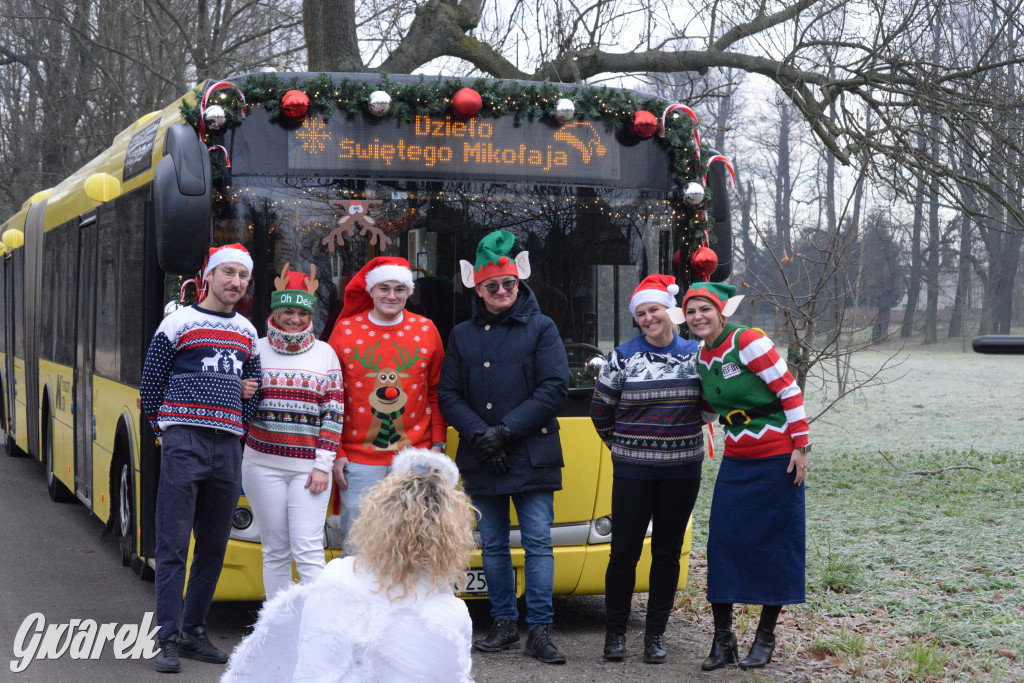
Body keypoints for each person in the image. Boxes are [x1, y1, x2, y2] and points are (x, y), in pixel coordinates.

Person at [222, 447, 476, 683]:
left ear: (375, 519)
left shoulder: (336, 576)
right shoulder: (451, 614)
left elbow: (309, 669)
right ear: (451, 539)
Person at [438, 229, 570, 664]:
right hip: (483, 454)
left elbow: (554, 389)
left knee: (537, 542)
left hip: (530, 451)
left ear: (520, 281)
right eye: (490, 286)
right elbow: (449, 395)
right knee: (492, 545)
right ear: (476, 286)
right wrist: (481, 435)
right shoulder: (460, 334)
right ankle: (503, 626)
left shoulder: (542, 327)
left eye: (507, 284)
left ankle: (540, 630)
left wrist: (504, 432)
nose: (500, 291)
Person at [140, 243, 261, 674]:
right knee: (172, 546)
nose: (235, 282)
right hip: (183, 443)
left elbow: (253, 388)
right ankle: (167, 639)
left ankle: (194, 632)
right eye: (227, 273)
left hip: (227, 448)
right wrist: (166, 434)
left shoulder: (248, 332)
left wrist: (238, 423)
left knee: (212, 547)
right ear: (208, 276)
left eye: (242, 276)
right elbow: (150, 386)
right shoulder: (178, 323)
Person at [679, 281, 809, 671]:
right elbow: (704, 408)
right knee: (723, 543)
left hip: (777, 458)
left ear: (721, 312)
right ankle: (723, 640)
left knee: (775, 544)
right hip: (737, 459)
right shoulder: (701, 356)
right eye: (691, 311)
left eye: (705, 309)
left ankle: (765, 637)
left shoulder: (748, 341)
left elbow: (789, 390)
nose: (698, 317)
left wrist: (801, 446)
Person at [589, 274, 705, 664]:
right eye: (640, 313)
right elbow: (600, 410)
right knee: (623, 552)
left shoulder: (696, 354)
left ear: (668, 310)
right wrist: (625, 448)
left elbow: (711, 403)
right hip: (633, 472)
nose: (648, 318)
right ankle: (615, 635)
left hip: (682, 471)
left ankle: (655, 636)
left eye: (653, 309)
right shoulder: (622, 356)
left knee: (668, 554)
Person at [326, 256, 447, 551]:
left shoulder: (427, 329)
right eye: (384, 288)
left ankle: (410, 599)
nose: (391, 296)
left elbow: (436, 391)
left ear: (409, 292)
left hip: (415, 458)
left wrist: (438, 446)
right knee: (359, 545)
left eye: (399, 289)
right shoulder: (345, 331)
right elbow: (332, 395)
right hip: (357, 460)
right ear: (371, 291)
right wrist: (337, 451)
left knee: (415, 544)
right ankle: (358, 599)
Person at [241, 264, 344, 599]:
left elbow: (334, 413)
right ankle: (279, 625)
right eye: (288, 311)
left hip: (308, 470)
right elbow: (241, 402)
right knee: (275, 550)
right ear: (276, 310)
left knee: (308, 550)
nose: (295, 319)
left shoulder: (325, 354)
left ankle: (317, 627)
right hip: (261, 464)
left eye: (302, 312)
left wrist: (322, 465)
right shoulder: (254, 348)